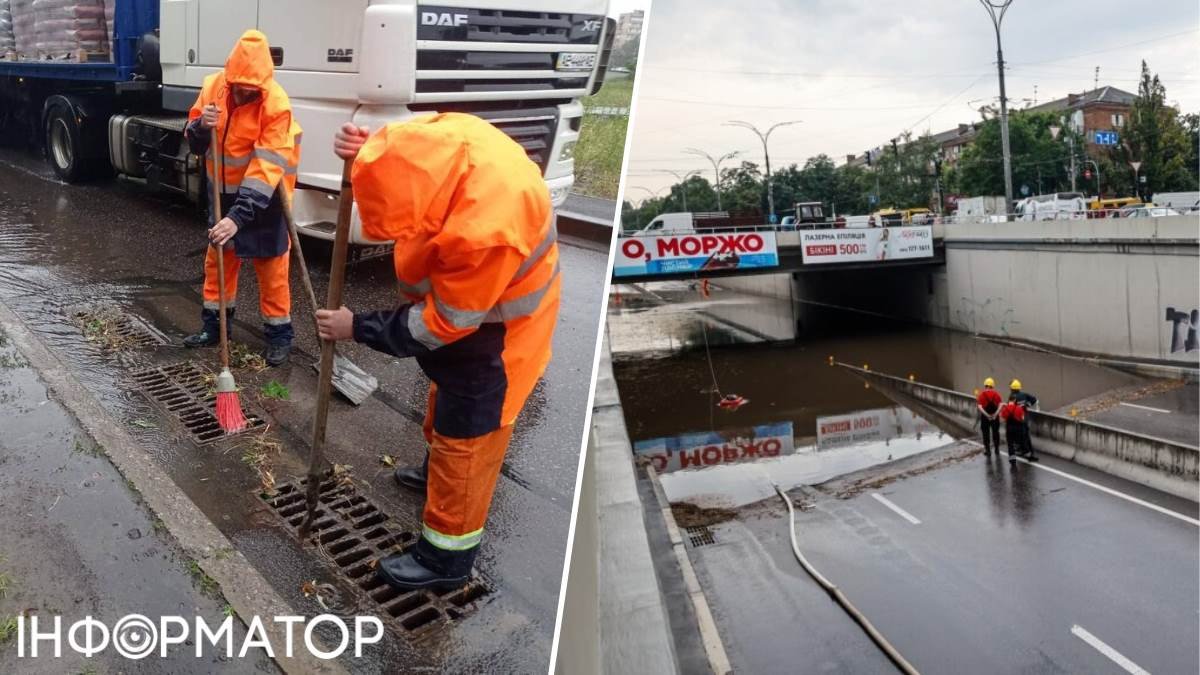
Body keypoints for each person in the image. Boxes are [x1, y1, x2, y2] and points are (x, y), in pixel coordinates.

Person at [316, 114, 560, 592]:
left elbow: (444, 324)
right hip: (475, 316)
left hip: (500, 338)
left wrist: (357, 327)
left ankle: (446, 560)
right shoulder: (438, 146)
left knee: (465, 441)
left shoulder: (485, 228)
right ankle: (435, 476)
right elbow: (397, 152)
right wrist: (362, 154)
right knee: (443, 399)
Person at [182, 30, 301, 367]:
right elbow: (193, 140)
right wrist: (201, 127)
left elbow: (266, 169)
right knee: (218, 265)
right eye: (240, 85)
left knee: (272, 269)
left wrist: (238, 217)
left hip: (264, 200)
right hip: (220, 195)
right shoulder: (212, 88)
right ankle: (214, 329)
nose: (246, 91)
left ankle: (279, 336)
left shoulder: (276, 105)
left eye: (254, 88)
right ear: (230, 74)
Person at [1010, 379, 1039, 461]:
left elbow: (1010, 409)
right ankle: (1029, 452)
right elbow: (1035, 400)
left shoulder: (1012, 397)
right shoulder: (1024, 395)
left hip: (1017, 419)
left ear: (1012, 389)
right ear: (1019, 388)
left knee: (1020, 436)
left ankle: (1026, 453)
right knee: (1026, 435)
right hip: (1025, 419)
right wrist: (1028, 405)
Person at [999, 394, 1029, 464]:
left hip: (1009, 428)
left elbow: (1001, 419)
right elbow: (1022, 418)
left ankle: (1012, 459)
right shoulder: (1019, 408)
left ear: (1009, 400)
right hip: (1018, 428)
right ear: (1015, 400)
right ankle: (1026, 452)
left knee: (1010, 444)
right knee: (1021, 440)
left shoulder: (1005, 408)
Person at [976, 377, 1002, 455]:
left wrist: (987, 415)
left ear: (985, 385)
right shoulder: (997, 394)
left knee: (985, 434)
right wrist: (995, 415)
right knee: (996, 433)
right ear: (992, 386)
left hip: (985, 418)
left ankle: (988, 451)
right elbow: (1000, 405)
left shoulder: (982, 395)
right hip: (995, 417)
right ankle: (997, 450)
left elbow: (979, 407)